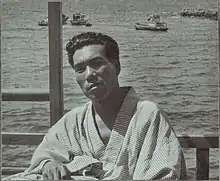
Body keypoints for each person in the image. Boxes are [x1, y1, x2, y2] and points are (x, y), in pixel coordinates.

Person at [4, 32, 187, 180]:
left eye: (97, 64)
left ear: (116, 66)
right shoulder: (74, 120)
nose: (89, 75)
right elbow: (46, 155)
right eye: (80, 69)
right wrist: (49, 165)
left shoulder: (147, 115)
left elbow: (164, 174)